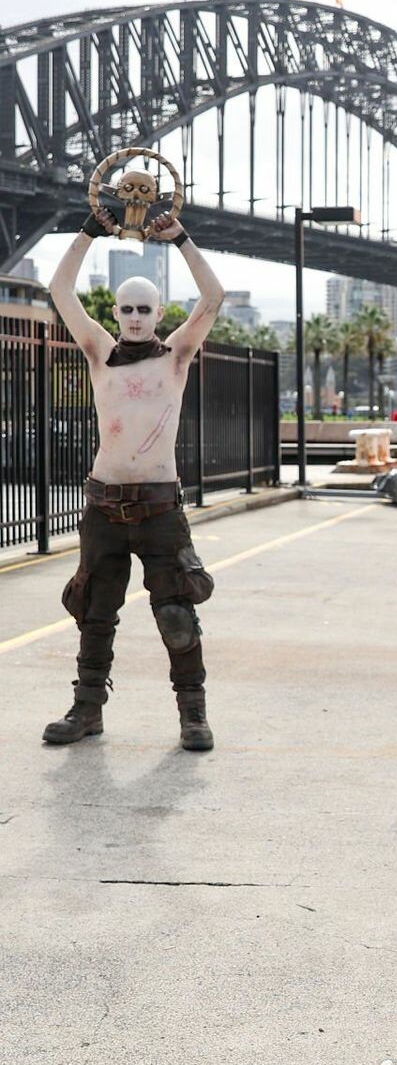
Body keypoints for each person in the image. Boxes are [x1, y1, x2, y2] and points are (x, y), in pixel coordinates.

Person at [42, 205, 225, 751]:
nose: (137, 318)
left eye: (145, 309)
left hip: (160, 508)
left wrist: (181, 238)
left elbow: (213, 297)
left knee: (176, 613)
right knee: (94, 612)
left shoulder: (176, 356)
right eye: (127, 309)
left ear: (159, 312)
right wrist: (88, 232)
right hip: (104, 505)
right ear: (116, 313)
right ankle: (86, 711)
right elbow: (60, 290)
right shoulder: (101, 353)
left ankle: (193, 714)